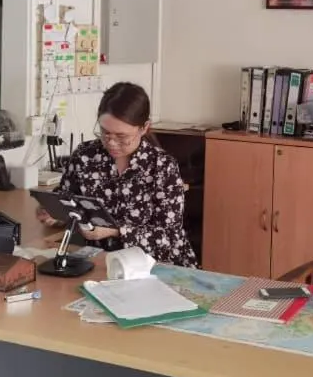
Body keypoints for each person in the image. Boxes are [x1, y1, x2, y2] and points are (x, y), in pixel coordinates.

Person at [36, 82, 197, 268]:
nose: (111, 143)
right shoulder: (85, 156)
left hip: (153, 265)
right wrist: (52, 213)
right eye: (105, 133)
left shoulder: (162, 166)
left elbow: (169, 237)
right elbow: (67, 202)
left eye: (122, 136)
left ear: (144, 128)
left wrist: (116, 231)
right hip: (98, 262)